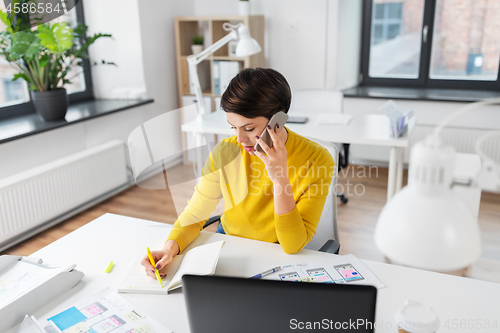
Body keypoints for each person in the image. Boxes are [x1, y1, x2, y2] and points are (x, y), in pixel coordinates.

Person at [141, 68, 334, 279]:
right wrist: (169, 249)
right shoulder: (225, 152)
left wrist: (280, 179)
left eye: (249, 129)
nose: (240, 139)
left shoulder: (317, 159)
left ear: (277, 121)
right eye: (233, 127)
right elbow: (195, 214)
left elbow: (292, 245)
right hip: (230, 249)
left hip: (279, 258)